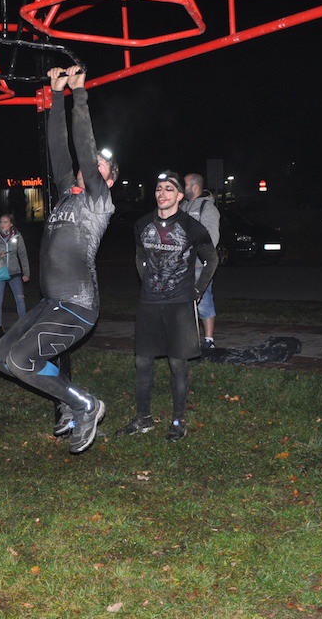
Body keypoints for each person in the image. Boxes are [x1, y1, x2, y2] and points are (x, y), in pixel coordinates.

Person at [0, 65, 115, 455]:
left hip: (77, 306)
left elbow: (83, 150)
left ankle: (85, 404)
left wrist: (80, 94)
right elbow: (59, 149)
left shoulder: (98, 200)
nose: (91, 166)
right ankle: (71, 400)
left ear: (108, 180)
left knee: (21, 360)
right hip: (51, 304)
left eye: (101, 166)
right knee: (1, 358)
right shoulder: (66, 193)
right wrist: (56, 94)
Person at [117, 172, 217, 441]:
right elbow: (139, 257)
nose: (162, 193)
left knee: (177, 364)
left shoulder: (192, 227)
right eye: (159, 188)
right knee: (142, 362)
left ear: (180, 195)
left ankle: (177, 421)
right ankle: (143, 419)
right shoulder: (141, 224)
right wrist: (148, 282)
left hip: (179, 304)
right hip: (149, 302)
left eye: (169, 189)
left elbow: (212, 259)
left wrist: (197, 290)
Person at [181, 173, 221, 350]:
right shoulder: (182, 206)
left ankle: (209, 340)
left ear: (195, 187)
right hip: (181, 265)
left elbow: (212, 237)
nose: (182, 188)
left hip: (198, 265)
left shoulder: (207, 208)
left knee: (203, 301)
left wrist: (199, 254)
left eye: (185, 185)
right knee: (182, 303)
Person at [0, 213, 31, 337]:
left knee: (20, 299)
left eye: (5, 222)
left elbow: (23, 254)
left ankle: (23, 326)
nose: (2, 224)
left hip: (14, 272)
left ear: (11, 224)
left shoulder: (17, 236)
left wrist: (26, 273)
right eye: (1, 222)